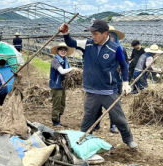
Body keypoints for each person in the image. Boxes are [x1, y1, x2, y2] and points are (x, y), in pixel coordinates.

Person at [59, 19, 138, 149]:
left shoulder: (115, 48)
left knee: (119, 118)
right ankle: (82, 142)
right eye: (92, 33)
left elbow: (124, 65)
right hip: (91, 91)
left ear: (105, 34)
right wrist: (66, 34)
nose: (93, 36)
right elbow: (71, 43)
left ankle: (128, 139)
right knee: (87, 120)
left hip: (109, 91)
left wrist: (125, 83)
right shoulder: (88, 44)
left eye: (96, 34)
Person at [49, 42, 74, 126]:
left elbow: (68, 72)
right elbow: (62, 71)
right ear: (57, 51)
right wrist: (73, 69)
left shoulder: (65, 61)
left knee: (62, 103)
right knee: (57, 104)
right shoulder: (55, 60)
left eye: (65, 50)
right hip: (56, 86)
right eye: (61, 50)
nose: (63, 51)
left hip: (62, 86)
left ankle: (58, 120)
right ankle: (55, 122)